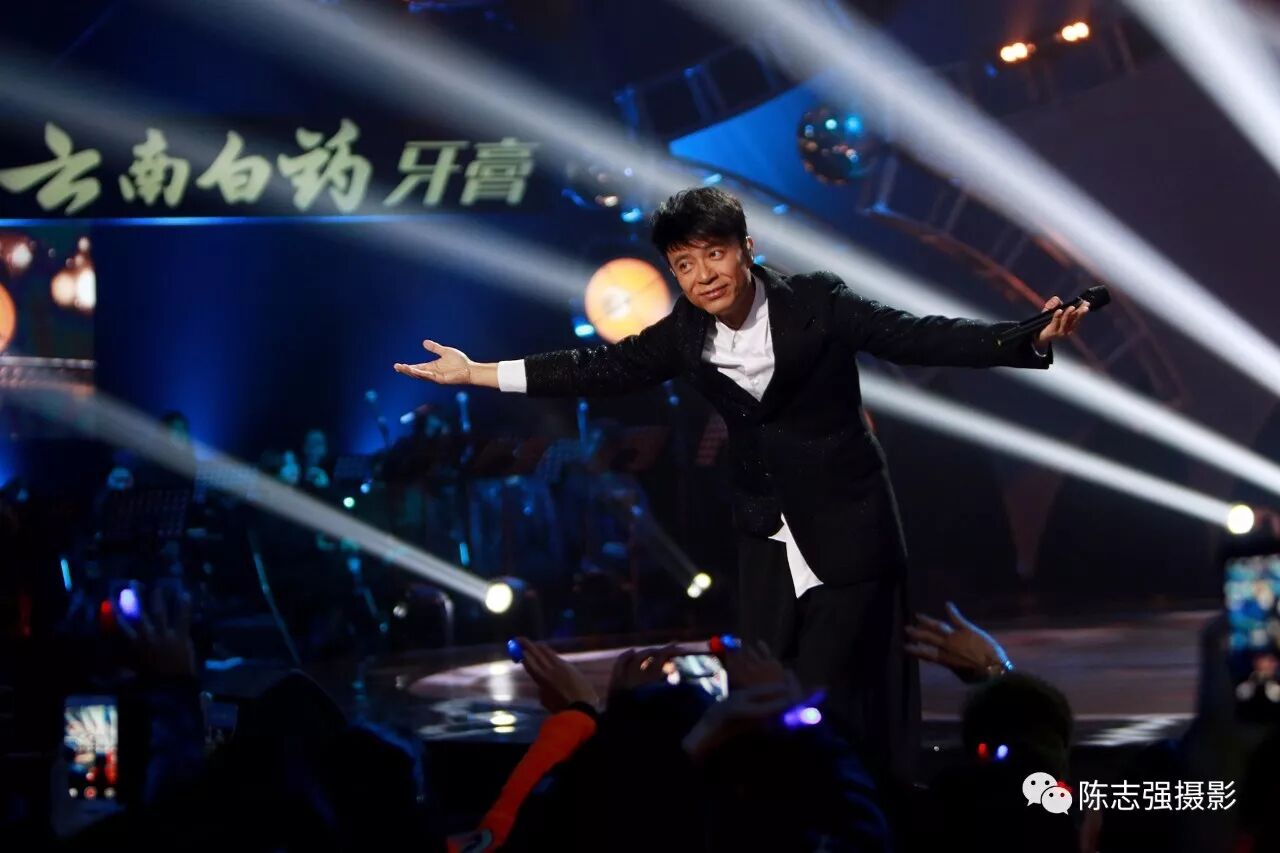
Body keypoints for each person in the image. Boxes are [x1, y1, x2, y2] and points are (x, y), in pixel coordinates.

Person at [394, 186, 1087, 784]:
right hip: (766, 529)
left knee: (843, 693)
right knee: (762, 684)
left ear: (745, 249)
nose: (702, 276)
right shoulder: (684, 333)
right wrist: (477, 372)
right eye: (684, 265)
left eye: (713, 255)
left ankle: (867, 810)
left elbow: (914, 335)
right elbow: (594, 368)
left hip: (850, 522)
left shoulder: (816, 301)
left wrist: (1022, 339)